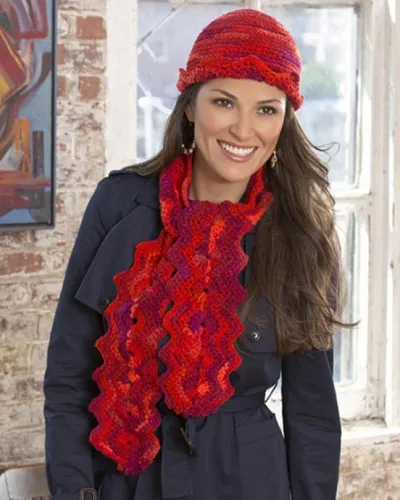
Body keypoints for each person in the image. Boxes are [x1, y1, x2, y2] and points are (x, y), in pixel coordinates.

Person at [43, 9, 350, 500]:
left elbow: (312, 412)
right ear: (190, 105)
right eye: (224, 102)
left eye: (266, 109)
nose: (244, 130)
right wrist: (75, 489)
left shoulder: (302, 235)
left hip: (250, 481)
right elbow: (69, 376)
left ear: (284, 121)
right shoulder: (119, 204)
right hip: (128, 480)